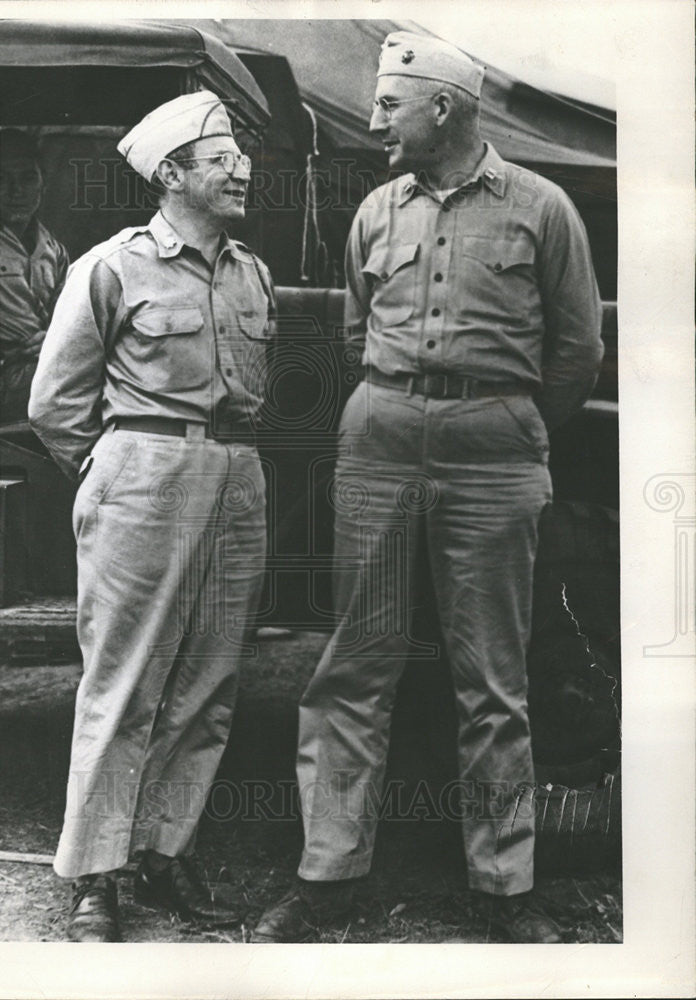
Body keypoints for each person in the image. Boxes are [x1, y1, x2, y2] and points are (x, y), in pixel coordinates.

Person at [253, 32, 603, 944]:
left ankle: (504, 887)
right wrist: (408, 404)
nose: (375, 123)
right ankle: (328, 877)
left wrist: (497, 420)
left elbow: (575, 354)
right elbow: (354, 331)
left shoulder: (544, 208)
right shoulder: (376, 210)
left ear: (442, 108)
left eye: (389, 107)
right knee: (353, 667)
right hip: (377, 444)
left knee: (492, 677)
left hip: (495, 459)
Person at [29, 91, 274, 942]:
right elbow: (56, 405)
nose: (241, 168)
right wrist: (116, 471)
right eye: (221, 158)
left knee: (208, 684)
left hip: (238, 475)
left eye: (242, 155)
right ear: (171, 174)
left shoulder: (252, 271)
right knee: (123, 681)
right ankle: (96, 878)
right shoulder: (112, 266)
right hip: (142, 473)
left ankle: (163, 855)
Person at [0, 129, 69, 424]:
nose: (16, 190)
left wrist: (54, 340)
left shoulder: (53, 250)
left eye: (28, 178)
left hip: (42, 371)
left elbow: (69, 319)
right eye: (2, 178)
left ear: (43, 185)